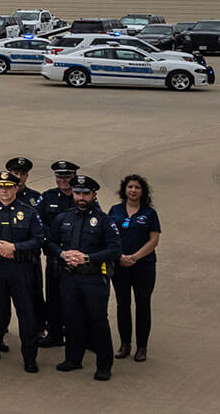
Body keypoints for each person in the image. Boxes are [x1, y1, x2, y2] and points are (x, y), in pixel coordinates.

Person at [51, 175, 122, 380]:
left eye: (85, 193)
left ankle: (104, 365)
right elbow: (51, 243)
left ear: (94, 195)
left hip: (93, 279)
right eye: (77, 193)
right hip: (69, 277)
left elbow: (115, 249)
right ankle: (73, 358)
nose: (81, 197)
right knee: (72, 319)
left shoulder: (104, 221)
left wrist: (88, 258)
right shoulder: (63, 218)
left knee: (98, 321)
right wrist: (63, 254)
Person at [0, 171, 42, 372]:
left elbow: (38, 239)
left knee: (26, 313)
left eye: (9, 187)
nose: (4, 191)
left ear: (16, 188)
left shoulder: (29, 212)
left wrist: (15, 248)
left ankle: (30, 356)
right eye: (1, 187)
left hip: (21, 269)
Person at [109, 174, 160, 362]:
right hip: (120, 265)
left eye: (137, 187)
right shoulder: (115, 211)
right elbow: (108, 236)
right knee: (123, 305)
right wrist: (119, 257)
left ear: (142, 192)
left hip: (143, 267)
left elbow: (154, 240)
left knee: (142, 305)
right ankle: (125, 344)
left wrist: (134, 257)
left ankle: (141, 347)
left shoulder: (149, 214)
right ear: (124, 190)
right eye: (130, 187)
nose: (133, 190)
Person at [36, 160, 80, 347]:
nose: (63, 179)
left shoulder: (82, 196)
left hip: (77, 257)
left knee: (77, 298)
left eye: (67, 176)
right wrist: (53, 241)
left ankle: (79, 335)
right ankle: (54, 333)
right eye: (59, 176)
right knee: (54, 296)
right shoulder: (47, 197)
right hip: (55, 255)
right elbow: (37, 222)